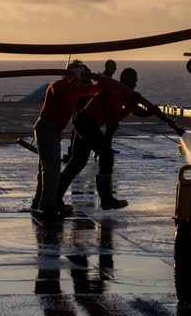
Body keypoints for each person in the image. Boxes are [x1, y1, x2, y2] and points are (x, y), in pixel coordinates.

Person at [54, 68, 168, 210]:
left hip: (86, 123)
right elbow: (114, 117)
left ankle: (55, 198)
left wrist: (151, 112)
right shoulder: (112, 91)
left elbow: (137, 112)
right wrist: (132, 104)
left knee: (78, 162)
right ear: (125, 80)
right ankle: (106, 199)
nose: (135, 84)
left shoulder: (124, 93)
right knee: (106, 154)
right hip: (86, 122)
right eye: (134, 81)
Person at [30, 61, 103, 221]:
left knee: (46, 167)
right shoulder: (57, 85)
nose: (80, 77)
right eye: (77, 72)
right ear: (68, 74)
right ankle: (47, 204)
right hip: (46, 129)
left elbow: (93, 90)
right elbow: (63, 94)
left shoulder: (75, 88)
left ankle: (39, 201)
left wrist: (102, 81)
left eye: (82, 74)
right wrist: (75, 78)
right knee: (51, 168)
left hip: (53, 132)